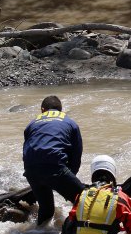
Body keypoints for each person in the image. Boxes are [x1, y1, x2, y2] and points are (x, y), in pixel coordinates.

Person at [60, 155, 131, 234]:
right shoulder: (121, 198)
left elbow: (73, 219)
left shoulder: (83, 194)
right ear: (112, 175)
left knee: (69, 220)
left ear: (93, 174)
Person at [22, 95, 84, 226]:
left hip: (31, 170)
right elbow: (76, 156)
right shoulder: (70, 123)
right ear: (61, 110)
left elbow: (28, 151)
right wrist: (67, 179)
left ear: (42, 110)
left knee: (46, 210)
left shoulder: (31, 124)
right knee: (85, 200)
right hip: (55, 167)